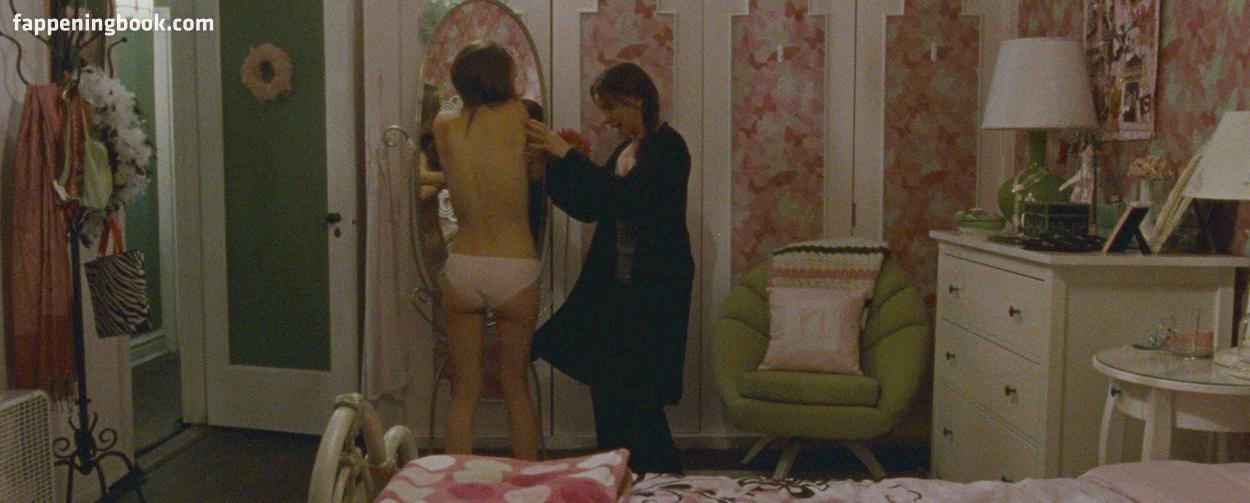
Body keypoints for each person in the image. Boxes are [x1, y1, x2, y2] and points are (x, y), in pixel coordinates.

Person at [525, 62, 693, 474]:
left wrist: (569, 156)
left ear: (635, 101)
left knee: (638, 393)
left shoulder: (670, 149)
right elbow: (593, 204)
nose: (606, 119)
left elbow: (630, 200)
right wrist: (554, 168)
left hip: (654, 288)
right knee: (608, 385)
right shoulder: (626, 151)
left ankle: (660, 476)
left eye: (610, 108)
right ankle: (620, 471)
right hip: (619, 287)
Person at [432, 40, 540, 460]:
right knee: (516, 385)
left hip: (464, 263)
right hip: (515, 265)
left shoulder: (444, 125)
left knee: (464, 390)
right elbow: (536, 170)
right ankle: (528, 482)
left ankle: (451, 484)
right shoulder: (520, 115)